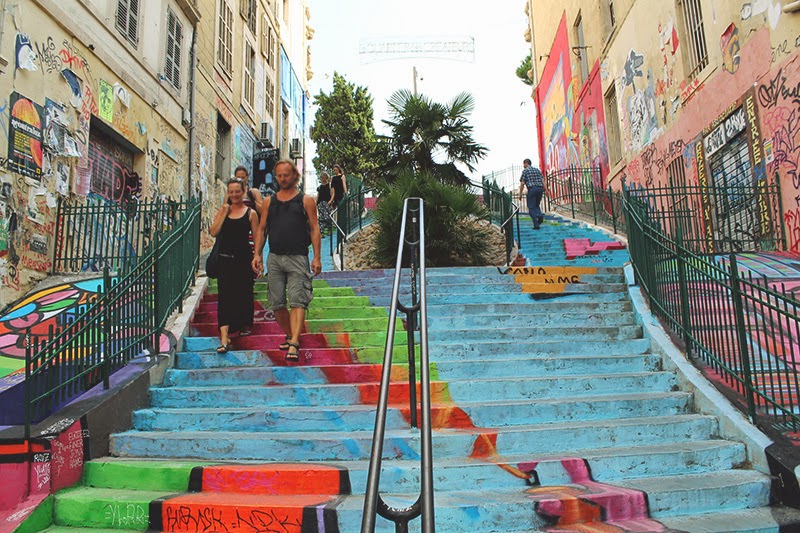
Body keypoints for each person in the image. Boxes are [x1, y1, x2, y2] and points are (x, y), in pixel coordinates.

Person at [252, 160, 322, 362]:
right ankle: (291, 335)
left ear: (294, 176)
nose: (283, 179)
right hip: (274, 258)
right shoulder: (268, 202)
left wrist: (316, 257)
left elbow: (314, 228)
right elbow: (262, 229)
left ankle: (294, 343)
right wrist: (257, 254)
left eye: (286, 175)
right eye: (279, 175)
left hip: (298, 258)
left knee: (298, 300)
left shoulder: (305, 200)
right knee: (276, 303)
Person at [209, 178, 260, 353]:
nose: (234, 195)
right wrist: (223, 213)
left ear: (243, 191)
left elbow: (257, 235)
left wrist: (257, 257)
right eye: (231, 192)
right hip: (224, 259)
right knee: (224, 297)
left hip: (243, 259)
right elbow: (213, 232)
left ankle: (244, 325)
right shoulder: (223, 210)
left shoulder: (250, 213)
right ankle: (224, 339)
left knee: (243, 294)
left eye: (237, 191)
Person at [518, 158, 545, 230]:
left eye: (524, 164)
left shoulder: (525, 171)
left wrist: (520, 194)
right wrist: (546, 190)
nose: (523, 165)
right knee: (536, 205)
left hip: (532, 189)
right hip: (540, 189)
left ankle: (536, 225)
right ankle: (539, 215)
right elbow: (542, 180)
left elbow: (522, 183)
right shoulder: (537, 170)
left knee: (531, 208)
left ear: (526, 163)